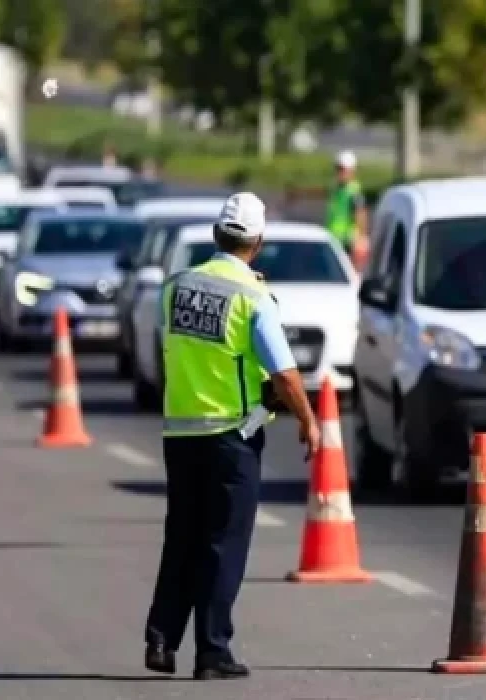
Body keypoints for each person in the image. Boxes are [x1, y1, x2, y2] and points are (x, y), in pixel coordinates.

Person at [144, 192, 320, 680]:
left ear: (216, 235)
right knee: (223, 543)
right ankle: (212, 650)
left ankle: (161, 638)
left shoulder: (175, 287)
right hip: (230, 436)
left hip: (179, 433)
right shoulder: (252, 297)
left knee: (182, 536)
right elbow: (283, 375)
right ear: (257, 242)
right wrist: (308, 419)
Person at [326, 150, 368, 262]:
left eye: (343, 170)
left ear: (351, 171)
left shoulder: (354, 192)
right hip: (333, 239)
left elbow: (360, 215)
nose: (340, 173)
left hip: (347, 242)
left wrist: (361, 240)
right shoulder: (336, 189)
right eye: (338, 169)